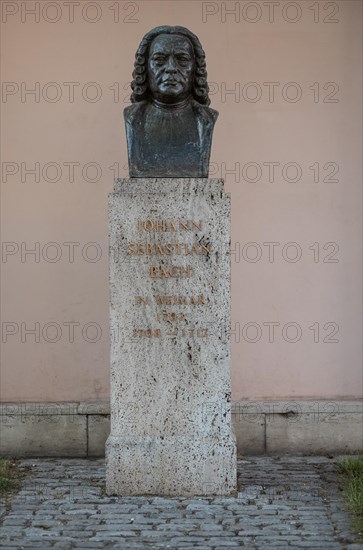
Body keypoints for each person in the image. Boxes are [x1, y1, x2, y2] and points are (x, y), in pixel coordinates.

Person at [124, 26, 218, 178]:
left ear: (195, 69)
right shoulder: (133, 118)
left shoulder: (205, 119)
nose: (171, 68)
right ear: (145, 68)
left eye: (182, 60)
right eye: (160, 60)